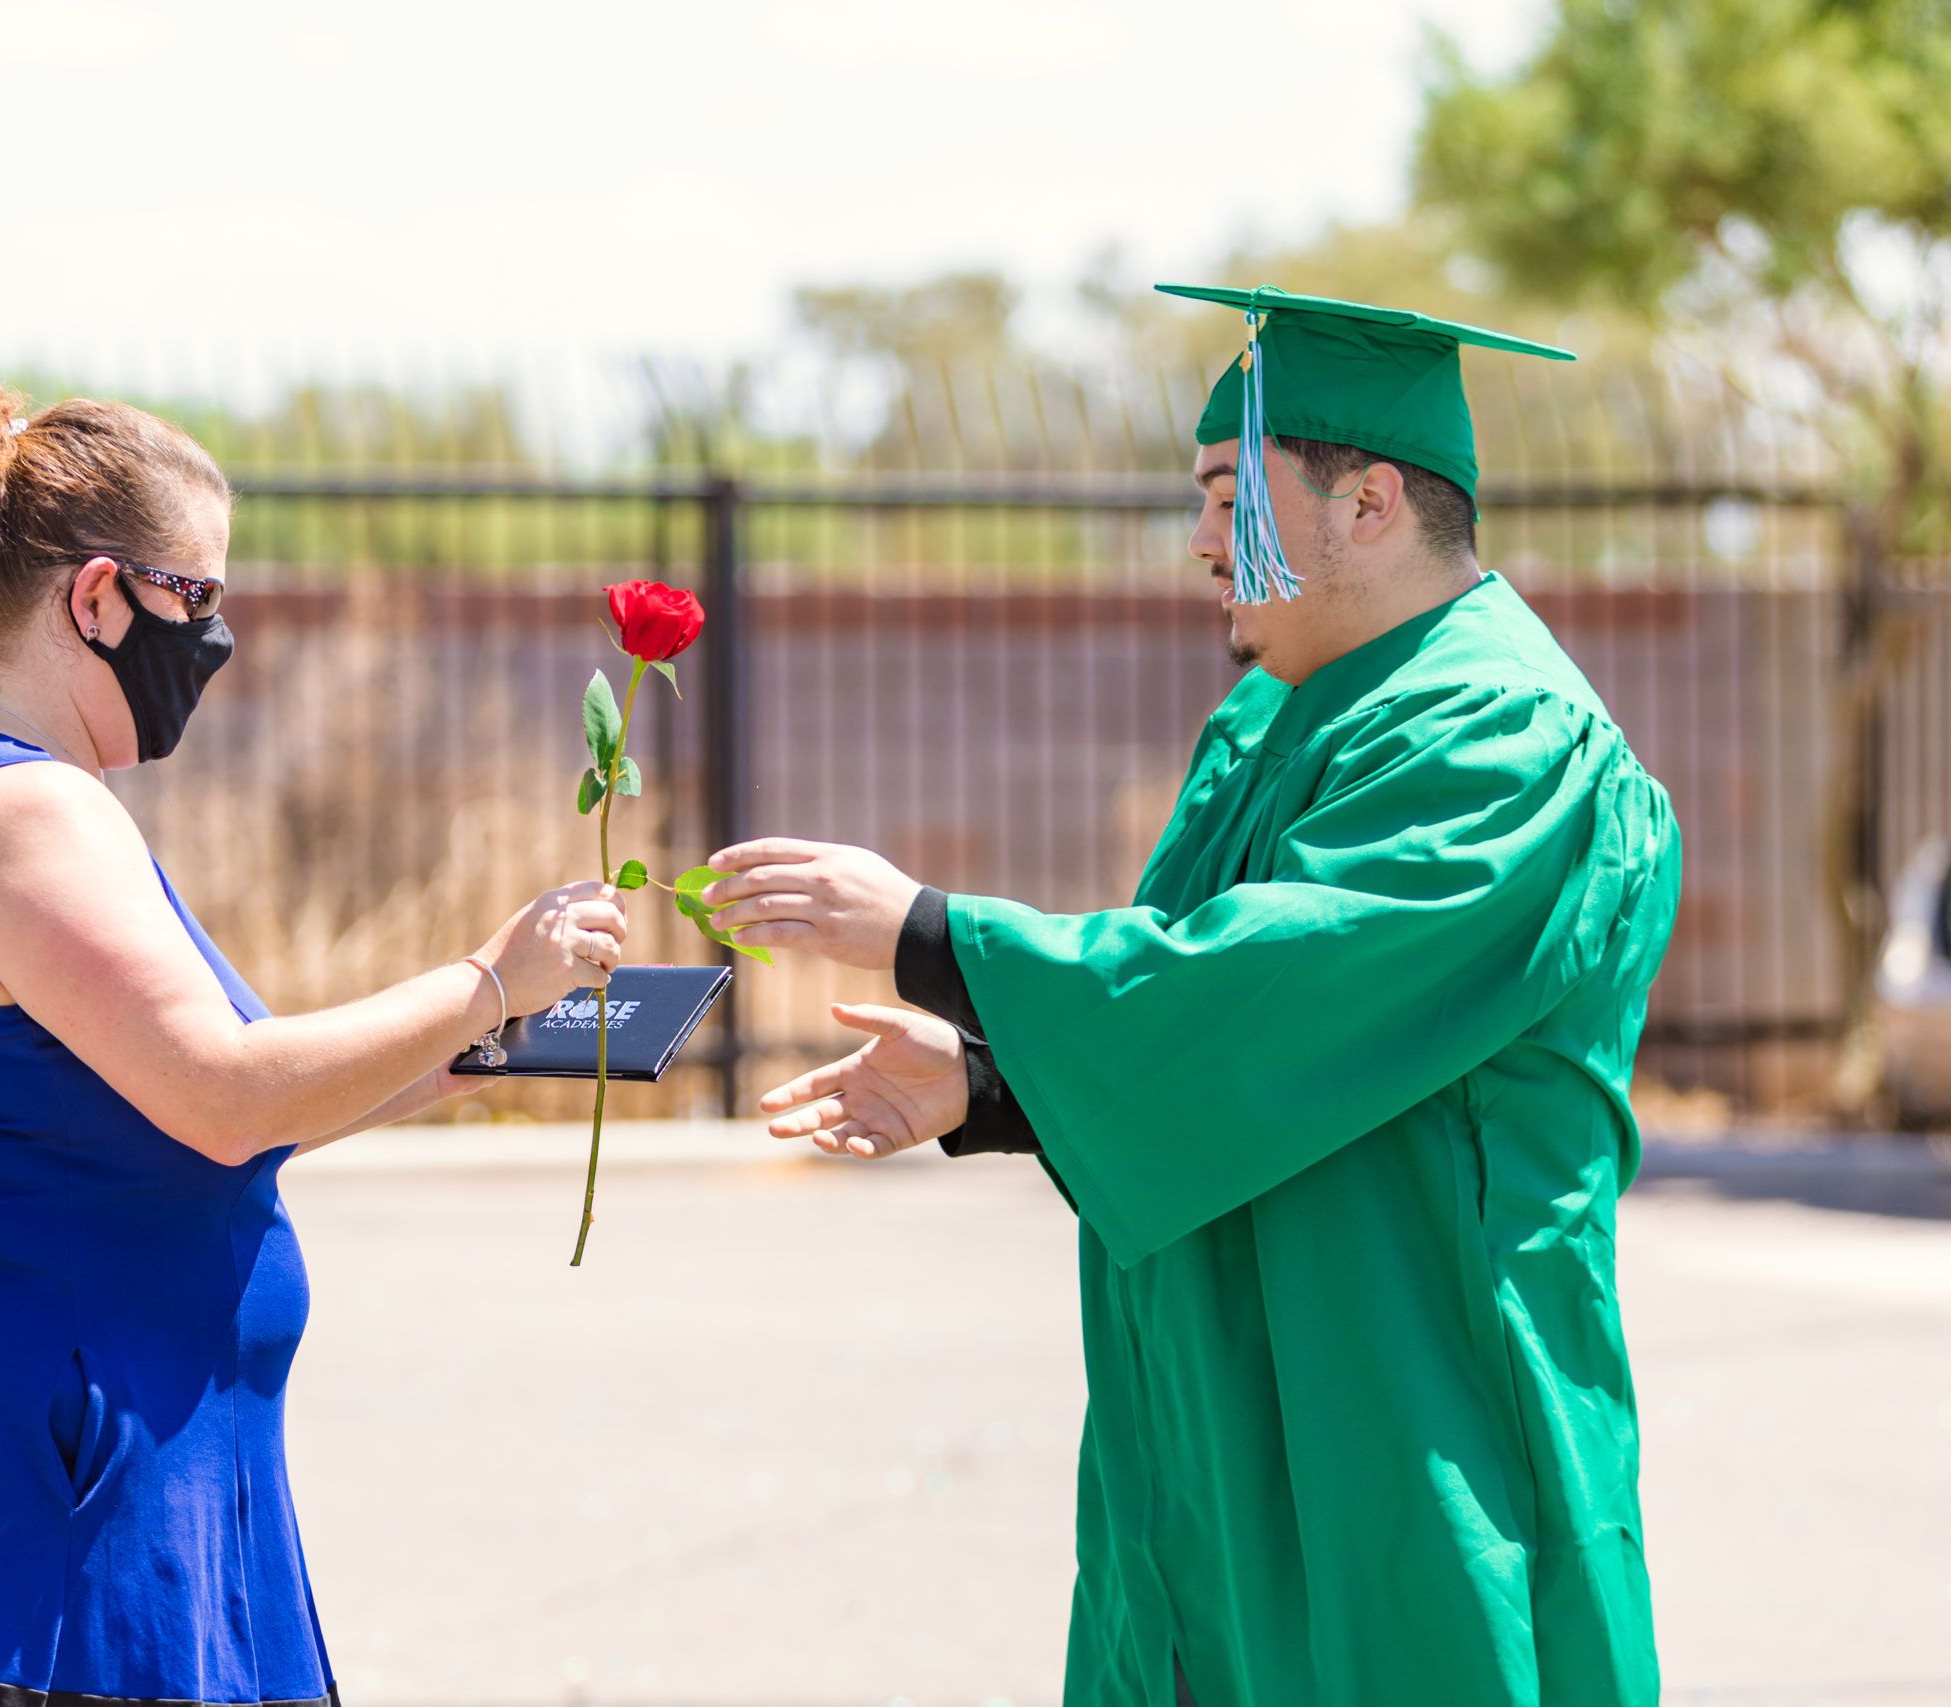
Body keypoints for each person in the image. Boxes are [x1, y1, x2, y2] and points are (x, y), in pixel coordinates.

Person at [699, 287, 1681, 1707]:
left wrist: (929, 933)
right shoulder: (1284, 712)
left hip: (1412, 1410)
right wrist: (990, 1086)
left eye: (1232, 494)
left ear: (1370, 506)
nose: (1201, 544)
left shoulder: (1502, 735)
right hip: (1230, 1416)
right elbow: (1235, 1054)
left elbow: (1275, 985)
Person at [0, 379, 627, 1707]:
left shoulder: (29, 797)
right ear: (99, 599)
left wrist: (500, 1045)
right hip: (41, 1453)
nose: (219, 639)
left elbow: (205, 1106)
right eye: (200, 599)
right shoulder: (21, 816)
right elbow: (227, 1097)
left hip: (96, 1429)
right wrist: (484, 977)